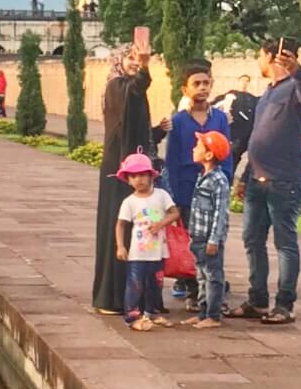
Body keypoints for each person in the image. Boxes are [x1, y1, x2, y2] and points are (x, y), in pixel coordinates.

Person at [226, 40, 301, 325]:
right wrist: (244, 176)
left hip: (285, 180)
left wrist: (297, 70)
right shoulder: (268, 93)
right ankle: (257, 299)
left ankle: (284, 304)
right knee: (252, 239)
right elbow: (257, 137)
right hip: (257, 177)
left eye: (260, 55)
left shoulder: (295, 88)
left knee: (284, 241)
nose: (259, 60)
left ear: (270, 56)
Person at [93, 44, 160, 316]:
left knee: (140, 229)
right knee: (118, 228)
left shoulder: (130, 89)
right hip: (119, 173)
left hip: (135, 169)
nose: (134, 63)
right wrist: (144, 67)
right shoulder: (117, 86)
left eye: (138, 58)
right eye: (130, 58)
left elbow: (136, 126)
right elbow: (134, 91)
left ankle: (136, 296)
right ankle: (112, 297)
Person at [164, 63, 231, 306]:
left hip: (214, 189)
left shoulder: (220, 118)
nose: (202, 88)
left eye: (206, 83)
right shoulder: (179, 121)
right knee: (192, 242)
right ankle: (194, 290)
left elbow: (227, 155)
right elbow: (171, 160)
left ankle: (215, 295)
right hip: (187, 189)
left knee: (215, 240)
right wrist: (172, 197)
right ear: (185, 89)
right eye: (196, 84)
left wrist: (227, 183)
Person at [115, 152, 178, 331]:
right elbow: (120, 225)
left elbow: (174, 212)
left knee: (155, 284)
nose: (139, 180)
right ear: (128, 180)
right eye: (133, 176)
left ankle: (152, 312)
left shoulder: (161, 195)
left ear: (151, 176)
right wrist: (120, 246)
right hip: (138, 253)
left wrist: (161, 223)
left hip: (158, 251)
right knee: (135, 284)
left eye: (142, 175)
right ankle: (132, 316)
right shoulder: (129, 202)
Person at [186, 130, 232, 328]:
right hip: (197, 236)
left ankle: (213, 316)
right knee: (201, 276)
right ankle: (203, 312)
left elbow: (220, 213)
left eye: (199, 146)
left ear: (209, 155)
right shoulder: (202, 176)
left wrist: (214, 239)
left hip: (208, 238)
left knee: (213, 276)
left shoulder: (218, 181)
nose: (194, 148)